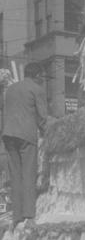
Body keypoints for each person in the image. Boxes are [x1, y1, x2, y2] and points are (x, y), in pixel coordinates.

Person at [2, 62, 48, 228]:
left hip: (8, 134)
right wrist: (48, 133)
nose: (42, 79)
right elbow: (43, 119)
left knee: (15, 175)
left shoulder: (11, 89)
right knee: (28, 173)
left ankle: (17, 216)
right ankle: (29, 215)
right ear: (36, 75)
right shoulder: (37, 89)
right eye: (42, 76)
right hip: (26, 135)